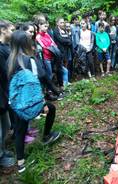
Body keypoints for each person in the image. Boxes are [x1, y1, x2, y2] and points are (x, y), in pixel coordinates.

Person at [8, 30, 61, 173]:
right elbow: (35, 84)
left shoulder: (10, 60)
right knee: (52, 109)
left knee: (20, 130)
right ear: (26, 43)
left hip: (15, 102)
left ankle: (21, 164)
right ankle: (46, 136)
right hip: (29, 102)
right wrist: (42, 103)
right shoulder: (28, 60)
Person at [0, 20, 15, 168]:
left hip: (5, 93)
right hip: (2, 93)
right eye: (11, 30)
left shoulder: (6, 47)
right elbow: (4, 73)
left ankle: (3, 150)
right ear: (3, 30)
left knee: (6, 125)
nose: (13, 32)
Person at [53, 17, 72, 86]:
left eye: (63, 22)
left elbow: (69, 39)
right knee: (61, 67)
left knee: (66, 65)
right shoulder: (55, 31)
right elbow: (60, 40)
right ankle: (62, 83)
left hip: (66, 51)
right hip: (60, 52)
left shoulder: (64, 30)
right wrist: (67, 41)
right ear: (57, 23)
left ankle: (66, 81)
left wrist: (67, 41)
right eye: (61, 22)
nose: (63, 23)